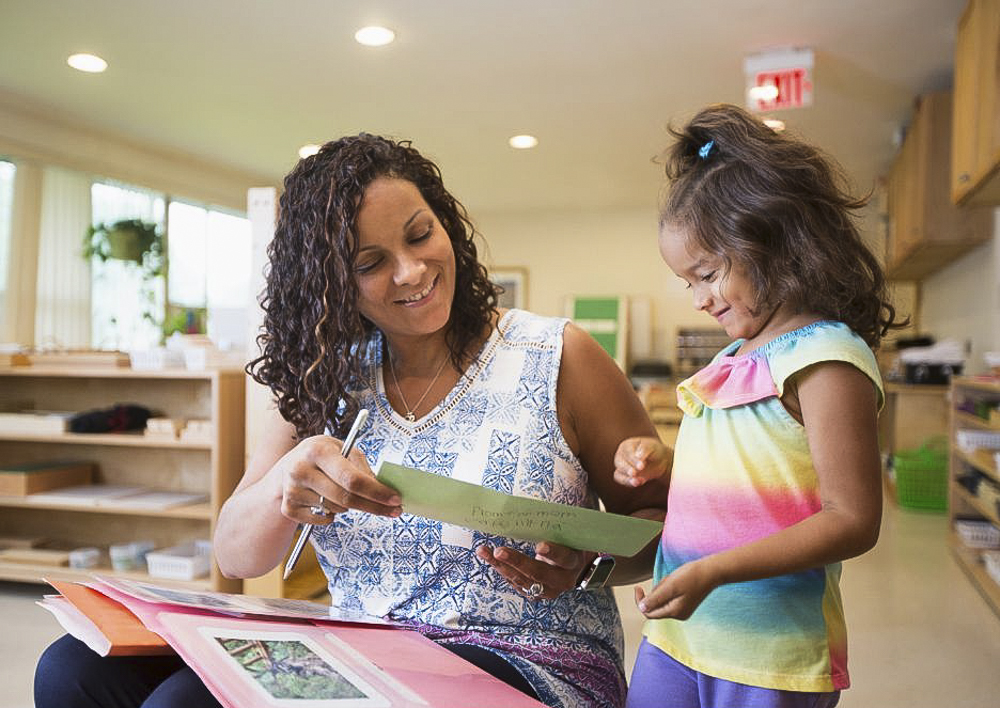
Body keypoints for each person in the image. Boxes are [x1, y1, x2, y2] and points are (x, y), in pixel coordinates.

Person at [35, 133, 668, 708]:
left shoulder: (558, 355)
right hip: (360, 647)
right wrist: (286, 484)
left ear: (446, 224)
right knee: (73, 670)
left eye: (420, 235)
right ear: (331, 283)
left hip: (529, 660)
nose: (412, 272)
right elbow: (236, 552)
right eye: (370, 263)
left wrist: (590, 562)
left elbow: (666, 524)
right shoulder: (322, 375)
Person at [614, 104, 906, 708]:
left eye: (707, 274)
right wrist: (664, 461)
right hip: (676, 636)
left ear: (772, 241)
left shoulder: (825, 357)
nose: (698, 299)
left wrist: (716, 569)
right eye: (688, 282)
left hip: (768, 658)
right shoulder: (731, 358)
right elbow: (751, 470)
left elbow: (853, 518)